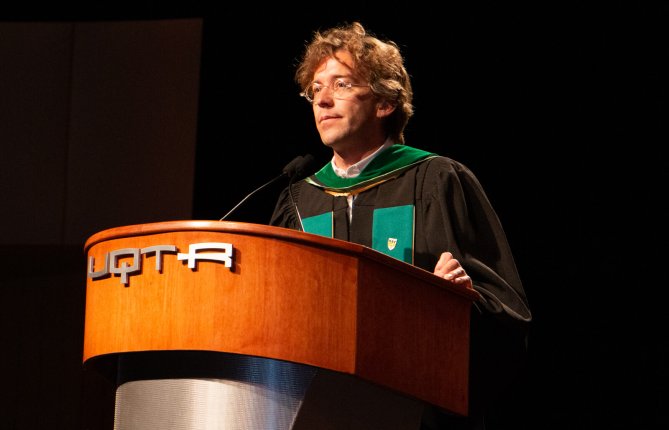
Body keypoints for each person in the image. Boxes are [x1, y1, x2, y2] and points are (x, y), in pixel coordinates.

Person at [270, 21, 532, 430]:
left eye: (341, 84)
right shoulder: (298, 199)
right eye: (315, 89)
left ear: (384, 103)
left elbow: (508, 313)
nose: (323, 100)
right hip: (313, 407)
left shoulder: (437, 180)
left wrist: (460, 304)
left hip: (416, 409)